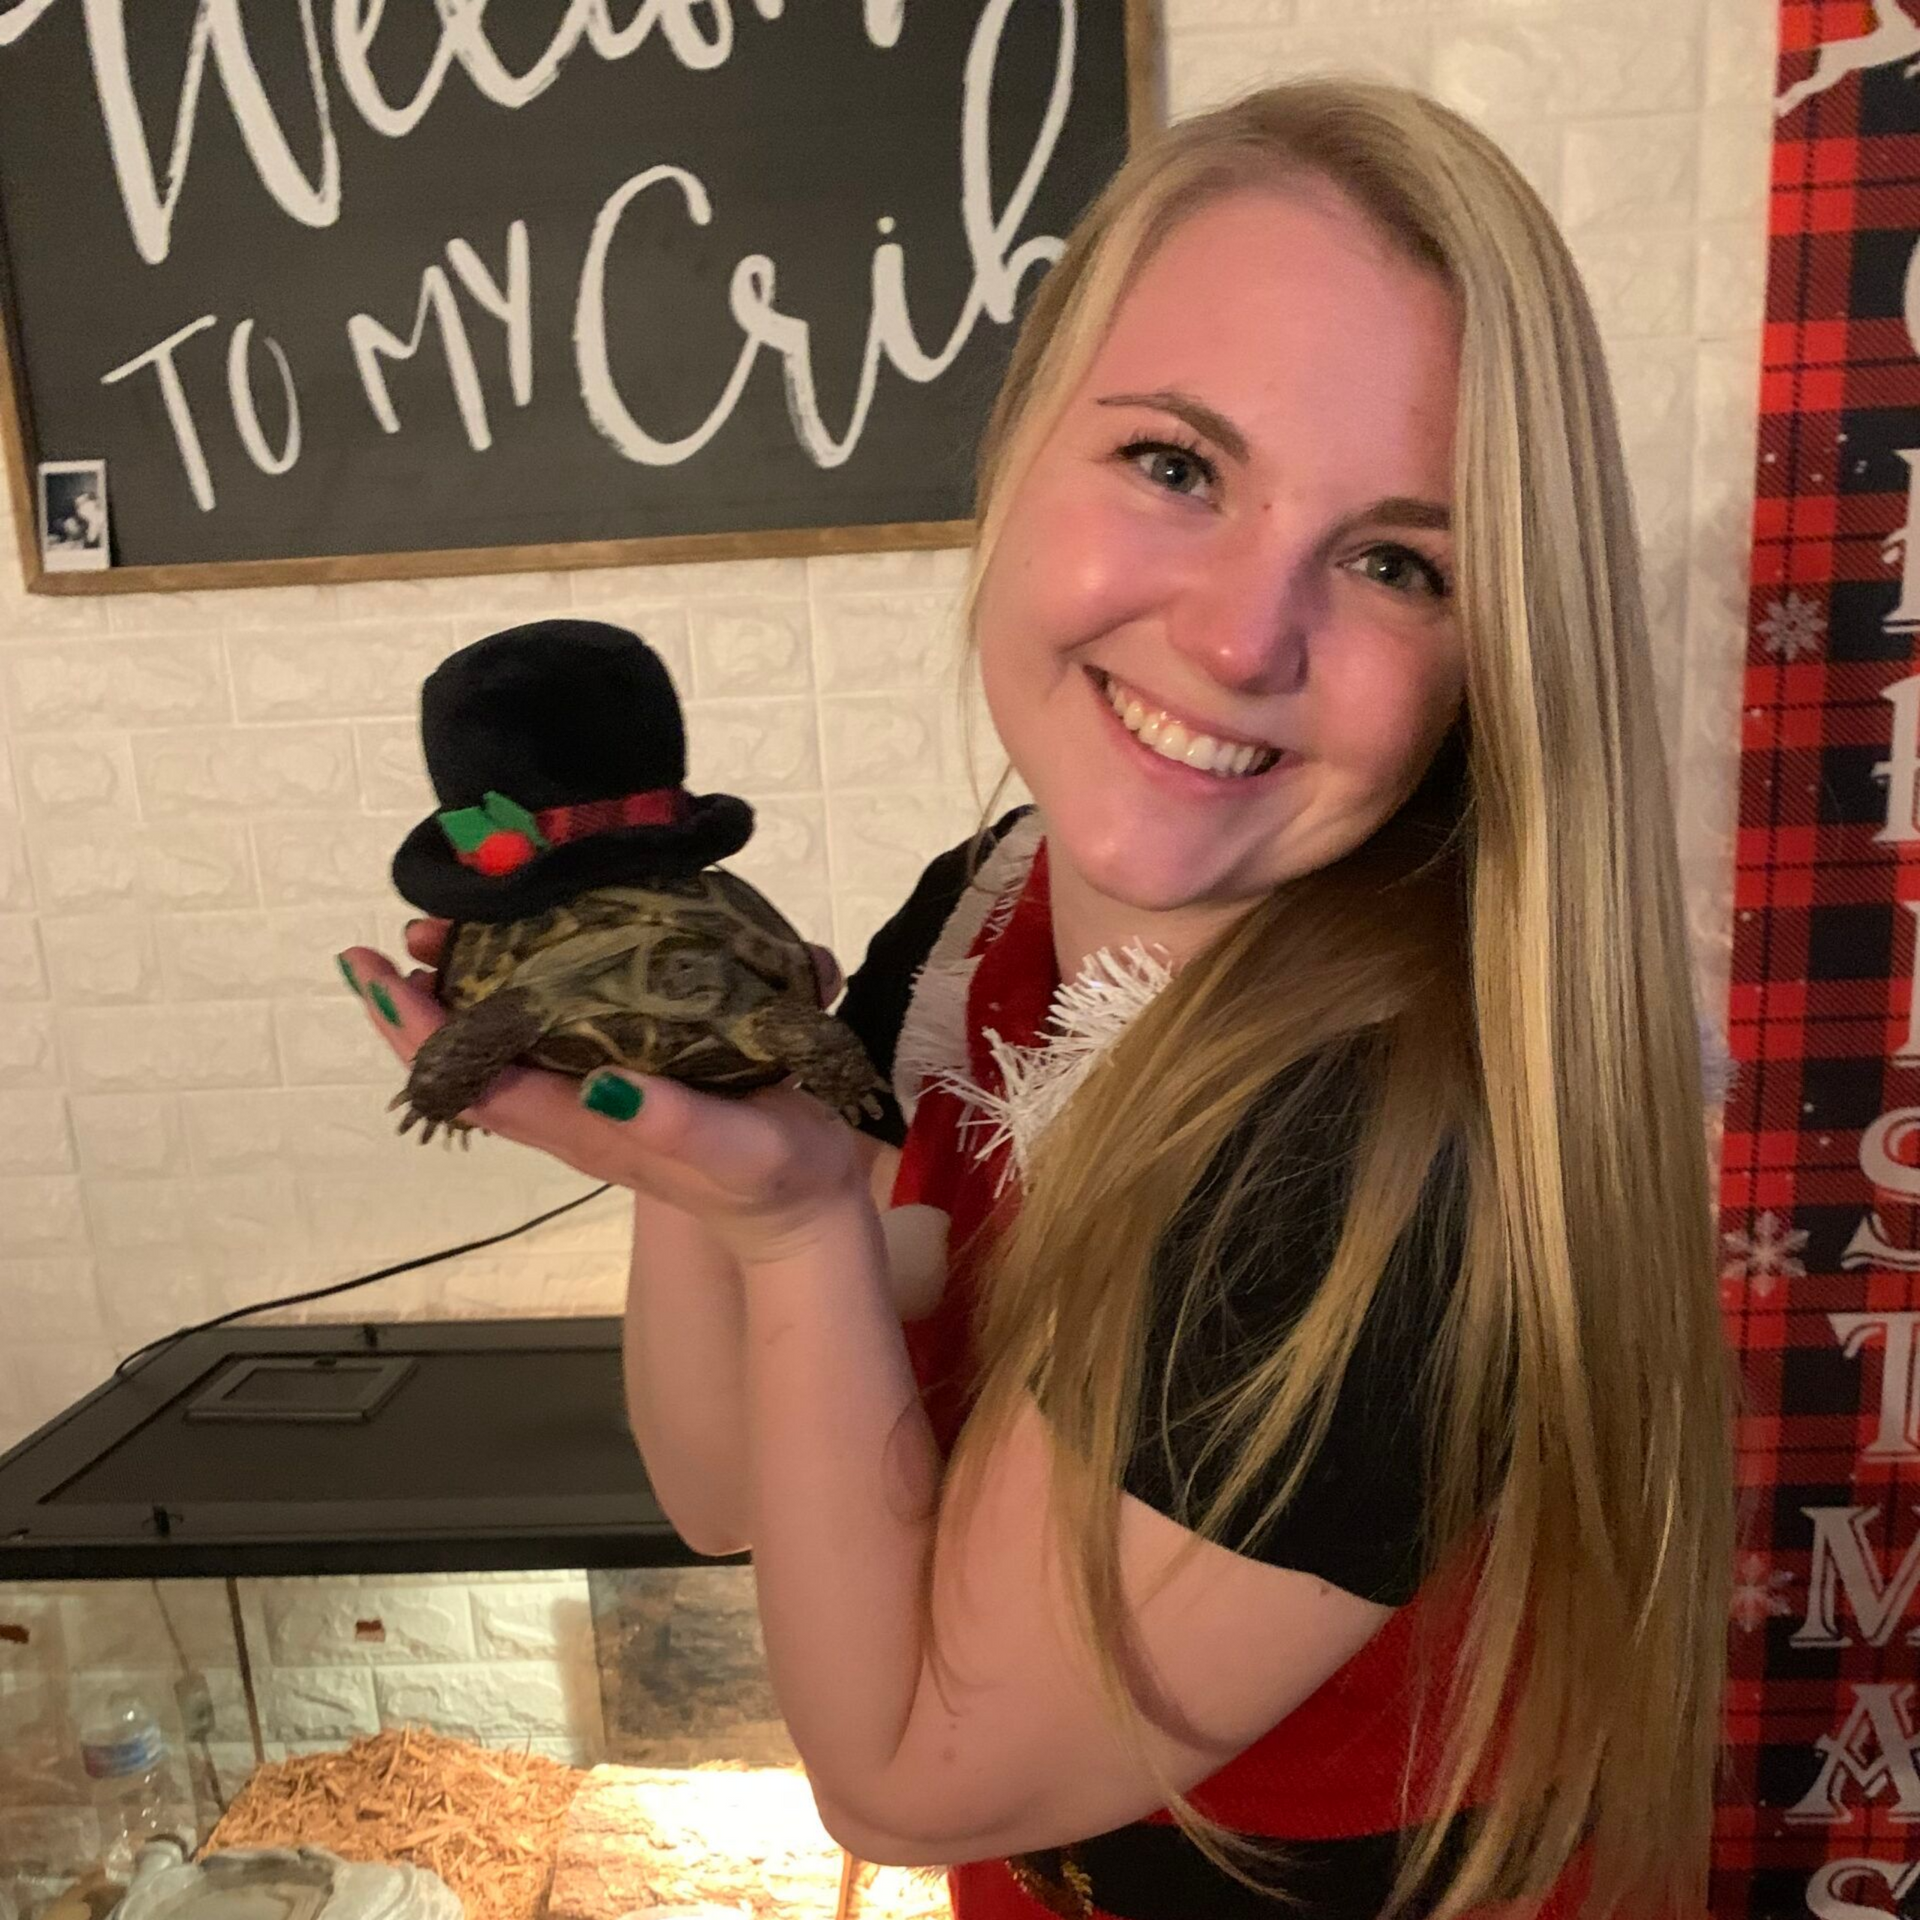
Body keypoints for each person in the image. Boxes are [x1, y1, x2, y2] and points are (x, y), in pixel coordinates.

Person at [342, 78, 1734, 1920]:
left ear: (1494, 654)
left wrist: (797, 1237)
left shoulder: (1391, 1151)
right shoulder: (985, 904)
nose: (1244, 639)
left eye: (1400, 559)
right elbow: (723, 1490)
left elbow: (909, 1774)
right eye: (1176, 464)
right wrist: (698, 1100)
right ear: (1015, 455)